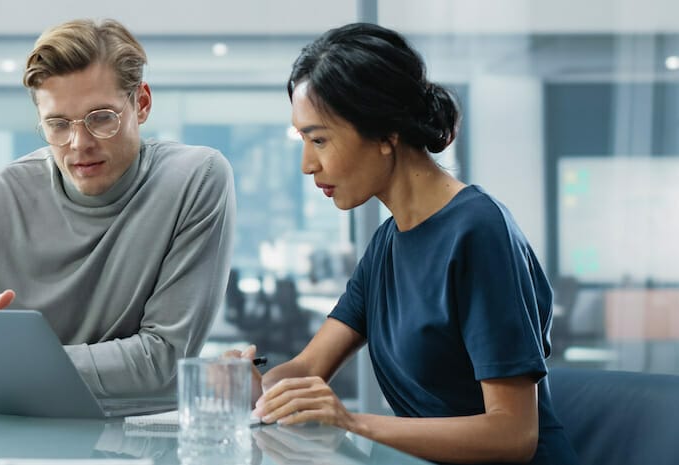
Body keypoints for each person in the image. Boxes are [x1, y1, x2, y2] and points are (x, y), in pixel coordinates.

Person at [229, 23, 578, 465]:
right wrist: (254, 386)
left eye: (319, 140)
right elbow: (306, 367)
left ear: (386, 134)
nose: (306, 164)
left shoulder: (479, 231)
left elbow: (514, 433)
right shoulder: (387, 244)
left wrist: (352, 421)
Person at [0, 18, 236, 400]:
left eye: (102, 118)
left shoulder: (195, 179)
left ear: (142, 104)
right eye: (57, 124)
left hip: (140, 448)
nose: (79, 143)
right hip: (14, 448)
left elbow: (163, 362)